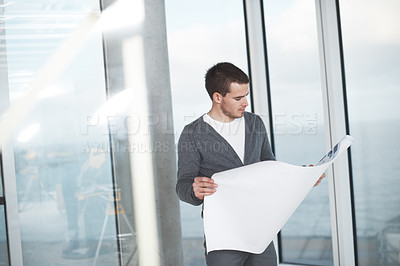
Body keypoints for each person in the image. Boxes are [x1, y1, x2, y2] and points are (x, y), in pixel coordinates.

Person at [176, 62, 325, 266]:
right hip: (223, 236)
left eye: (246, 95)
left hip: (260, 231)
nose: (245, 102)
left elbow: (270, 169)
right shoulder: (192, 134)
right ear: (217, 97)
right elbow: (183, 185)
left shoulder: (255, 123)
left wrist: (302, 177)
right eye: (238, 98)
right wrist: (195, 190)